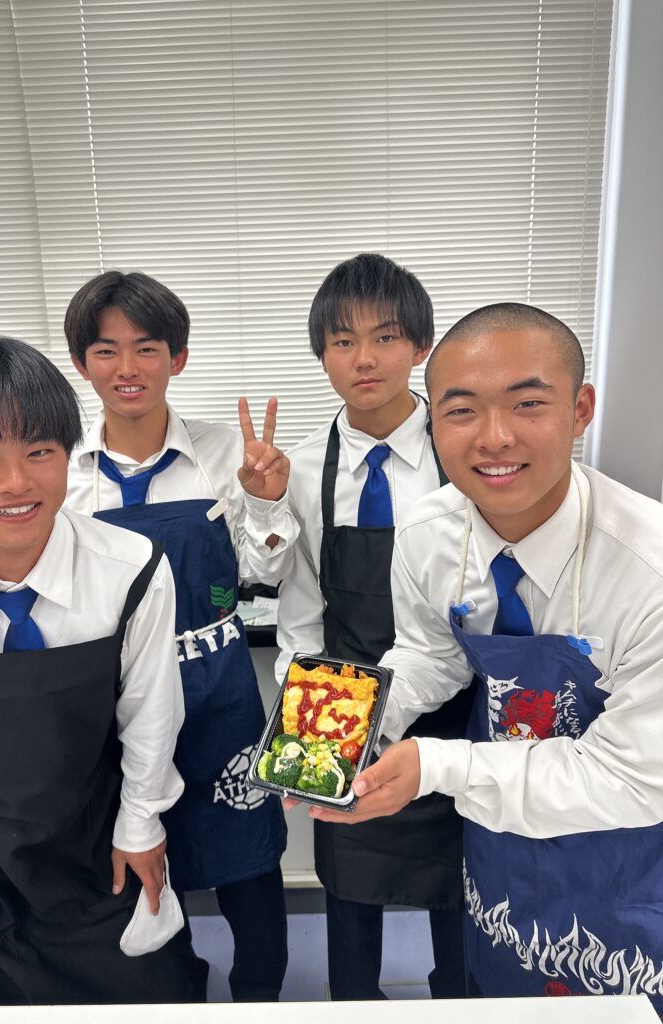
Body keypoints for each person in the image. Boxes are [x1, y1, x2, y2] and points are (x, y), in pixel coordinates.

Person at [309, 302, 663, 1010]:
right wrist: (348, 719)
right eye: (462, 411)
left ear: (580, 410)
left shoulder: (647, 568)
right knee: (498, 991)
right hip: (498, 838)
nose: (495, 437)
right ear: (434, 423)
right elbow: (430, 654)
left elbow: (631, 776)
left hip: (623, 851)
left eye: (528, 404)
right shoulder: (429, 533)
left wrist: (436, 765)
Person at [0, 335, 203, 1006]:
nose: (16, 482)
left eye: (39, 451)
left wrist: (141, 825)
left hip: (107, 852)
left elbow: (151, 715)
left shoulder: (132, 569)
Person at [63, 270, 297, 1002]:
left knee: (249, 860)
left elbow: (268, 571)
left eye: (147, 348)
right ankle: (180, 990)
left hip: (219, 690)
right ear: (81, 364)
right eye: (106, 351)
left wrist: (267, 502)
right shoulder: (63, 472)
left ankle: (261, 994)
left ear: (179, 358)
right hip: (118, 699)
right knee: (145, 855)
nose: (127, 368)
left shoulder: (227, 453)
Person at [276, 253, 471, 1000]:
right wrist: (301, 722)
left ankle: (461, 1002)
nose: (364, 358)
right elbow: (300, 605)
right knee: (350, 888)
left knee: (464, 893)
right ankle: (354, 1004)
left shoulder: (466, 454)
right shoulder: (301, 471)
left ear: (420, 345)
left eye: (385, 337)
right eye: (343, 340)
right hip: (343, 701)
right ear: (321, 354)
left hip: (461, 705)